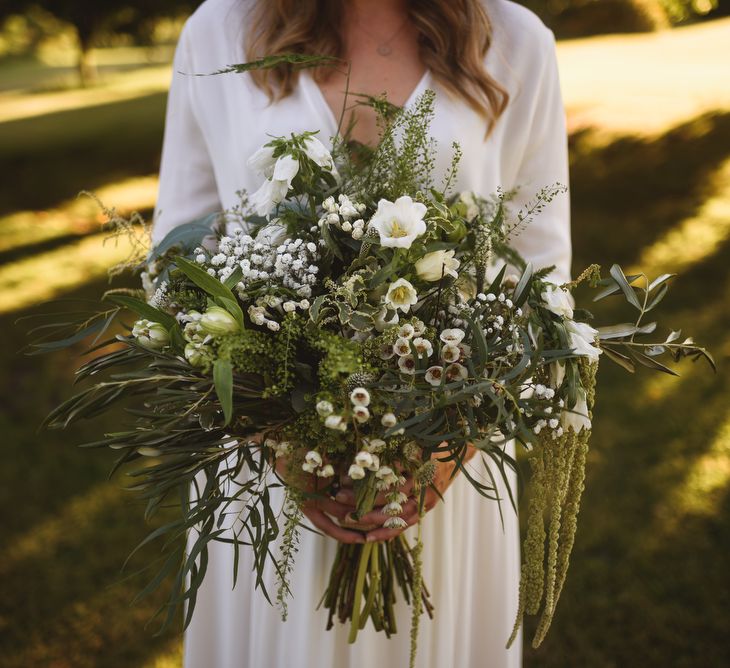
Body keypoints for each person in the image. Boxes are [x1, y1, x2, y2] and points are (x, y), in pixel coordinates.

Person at [152, 0, 572, 666]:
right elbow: (178, 261)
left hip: (447, 471)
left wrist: (447, 451)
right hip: (267, 475)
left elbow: (541, 281)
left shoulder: (516, 41)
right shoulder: (217, 32)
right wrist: (279, 440)